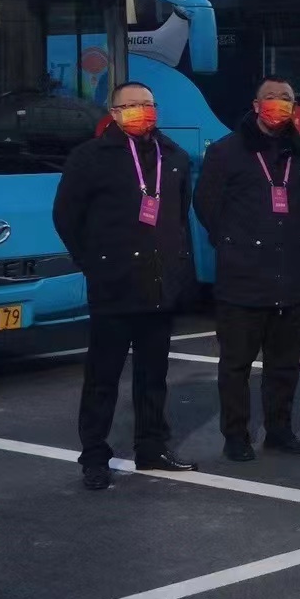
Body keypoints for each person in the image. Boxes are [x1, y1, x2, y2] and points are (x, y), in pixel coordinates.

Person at [52, 81, 199, 490]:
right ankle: (94, 456)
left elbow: (179, 214)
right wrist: (93, 263)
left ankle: (152, 448)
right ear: (113, 112)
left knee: (153, 375)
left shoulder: (173, 156)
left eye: (147, 104)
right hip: (113, 283)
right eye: (130, 105)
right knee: (103, 376)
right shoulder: (90, 157)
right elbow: (66, 216)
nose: (141, 111)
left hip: (159, 283)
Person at [194, 75, 300, 462]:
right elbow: (206, 204)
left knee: (285, 364)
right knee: (236, 365)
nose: (278, 103)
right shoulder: (226, 151)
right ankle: (236, 435)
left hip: (290, 274)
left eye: (286, 97)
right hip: (242, 277)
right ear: (255, 105)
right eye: (271, 97)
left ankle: (279, 430)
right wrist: (233, 243)